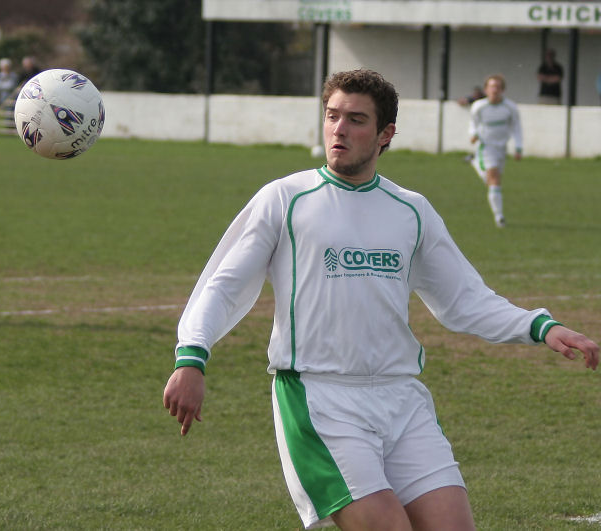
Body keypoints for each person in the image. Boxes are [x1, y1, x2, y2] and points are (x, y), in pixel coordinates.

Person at [163, 69, 598, 531]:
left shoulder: (411, 210)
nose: (339, 129)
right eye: (332, 116)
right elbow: (224, 284)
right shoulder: (285, 199)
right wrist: (192, 356)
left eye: (356, 119)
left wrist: (541, 327)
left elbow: (465, 299)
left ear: (385, 134)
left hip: (403, 400)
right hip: (320, 399)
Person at [468, 74, 523, 228]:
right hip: (486, 147)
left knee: (492, 183)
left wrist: (518, 147)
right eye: (492, 86)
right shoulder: (478, 106)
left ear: (503, 90)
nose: (495, 90)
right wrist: (473, 135)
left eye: (498, 87)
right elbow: (473, 124)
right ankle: (499, 217)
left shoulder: (510, 108)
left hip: (501, 149)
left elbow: (516, 128)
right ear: (486, 89)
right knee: (494, 179)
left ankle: (474, 162)